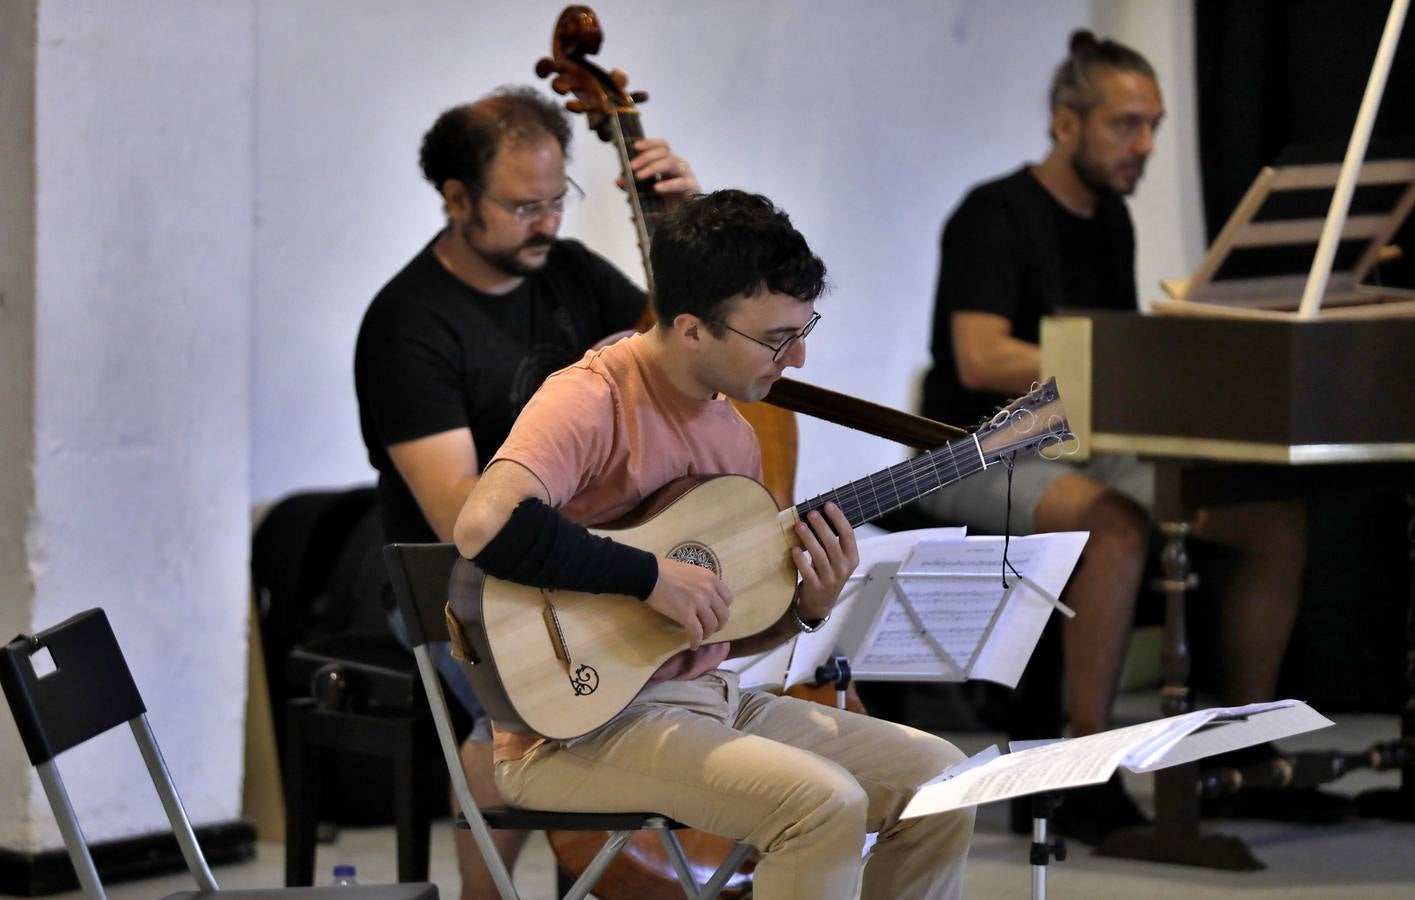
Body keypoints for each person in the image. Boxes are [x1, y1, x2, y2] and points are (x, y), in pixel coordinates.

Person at [450, 189, 974, 899]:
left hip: (706, 697)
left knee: (943, 781)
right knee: (821, 802)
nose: (797, 357)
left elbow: (716, 627)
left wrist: (804, 610)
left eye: (802, 328)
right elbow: (483, 524)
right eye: (774, 339)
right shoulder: (590, 398)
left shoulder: (732, 431)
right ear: (693, 329)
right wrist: (646, 576)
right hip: (574, 730)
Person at [916, 30, 1311, 843]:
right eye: (1125, 125)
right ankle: (1077, 769)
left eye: (1154, 126)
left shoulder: (1109, 220)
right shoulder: (992, 215)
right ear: (1066, 122)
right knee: (1113, 524)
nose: (1145, 146)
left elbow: (1104, 370)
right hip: (972, 451)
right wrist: (1124, 362)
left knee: (1271, 522)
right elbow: (980, 356)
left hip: (1077, 447)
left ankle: (1246, 755)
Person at [353, 86, 699, 897]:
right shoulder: (408, 324)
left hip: (590, 554)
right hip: (454, 582)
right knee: (512, 705)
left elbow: (691, 358)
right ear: (455, 198)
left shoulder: (571, 274)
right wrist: (622, 567)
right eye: (521, 206)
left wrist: (686, 228)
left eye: (556, 200)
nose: (546, 223)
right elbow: (465, 520)